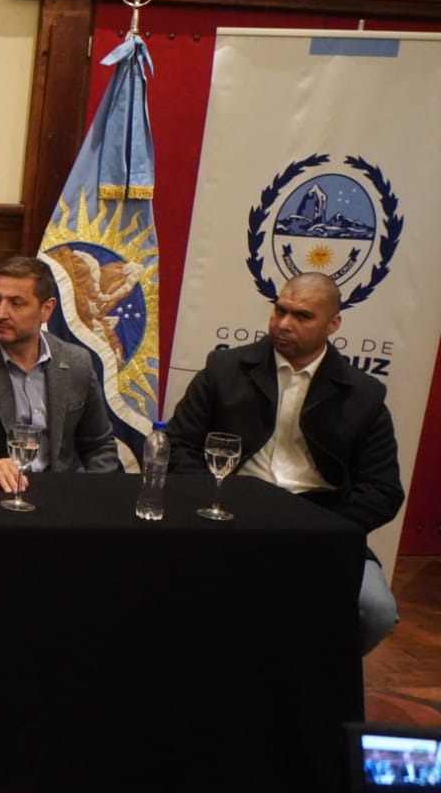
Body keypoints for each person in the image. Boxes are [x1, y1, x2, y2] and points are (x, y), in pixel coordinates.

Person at [165, 271, 403, 654]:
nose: (284, 323)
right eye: (280, 310)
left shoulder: (363, 395)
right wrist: (217, 502)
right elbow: (179, 447)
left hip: (321, 528)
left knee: (375, 611)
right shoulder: (224, 369)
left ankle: (315, 680)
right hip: (226, 519)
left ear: (333, 324)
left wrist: (320, 528)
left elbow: (383, 491)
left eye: (302, 316)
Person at [0, 255, 118, 489]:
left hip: (61, 491)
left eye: (16, 303)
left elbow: (99, 446)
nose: (0, 313)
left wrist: (94, 494)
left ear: (46, 310)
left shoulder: (76, 362)